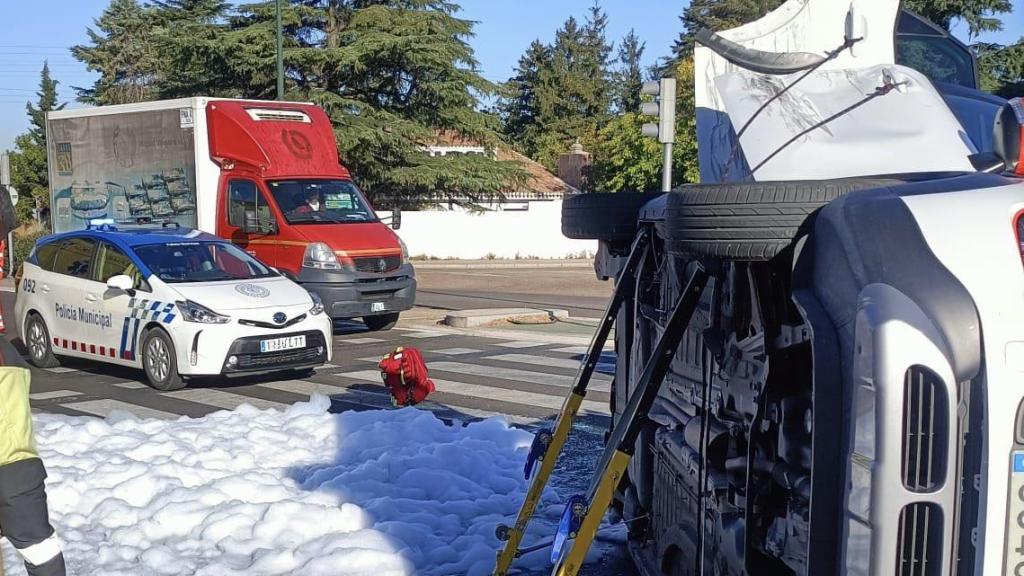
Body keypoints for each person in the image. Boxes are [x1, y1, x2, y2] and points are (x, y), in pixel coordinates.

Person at [0, 367, 66, 576]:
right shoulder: (8, 357)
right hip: (19, 467)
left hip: (17, 468)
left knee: (41, 552)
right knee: (41, 552)